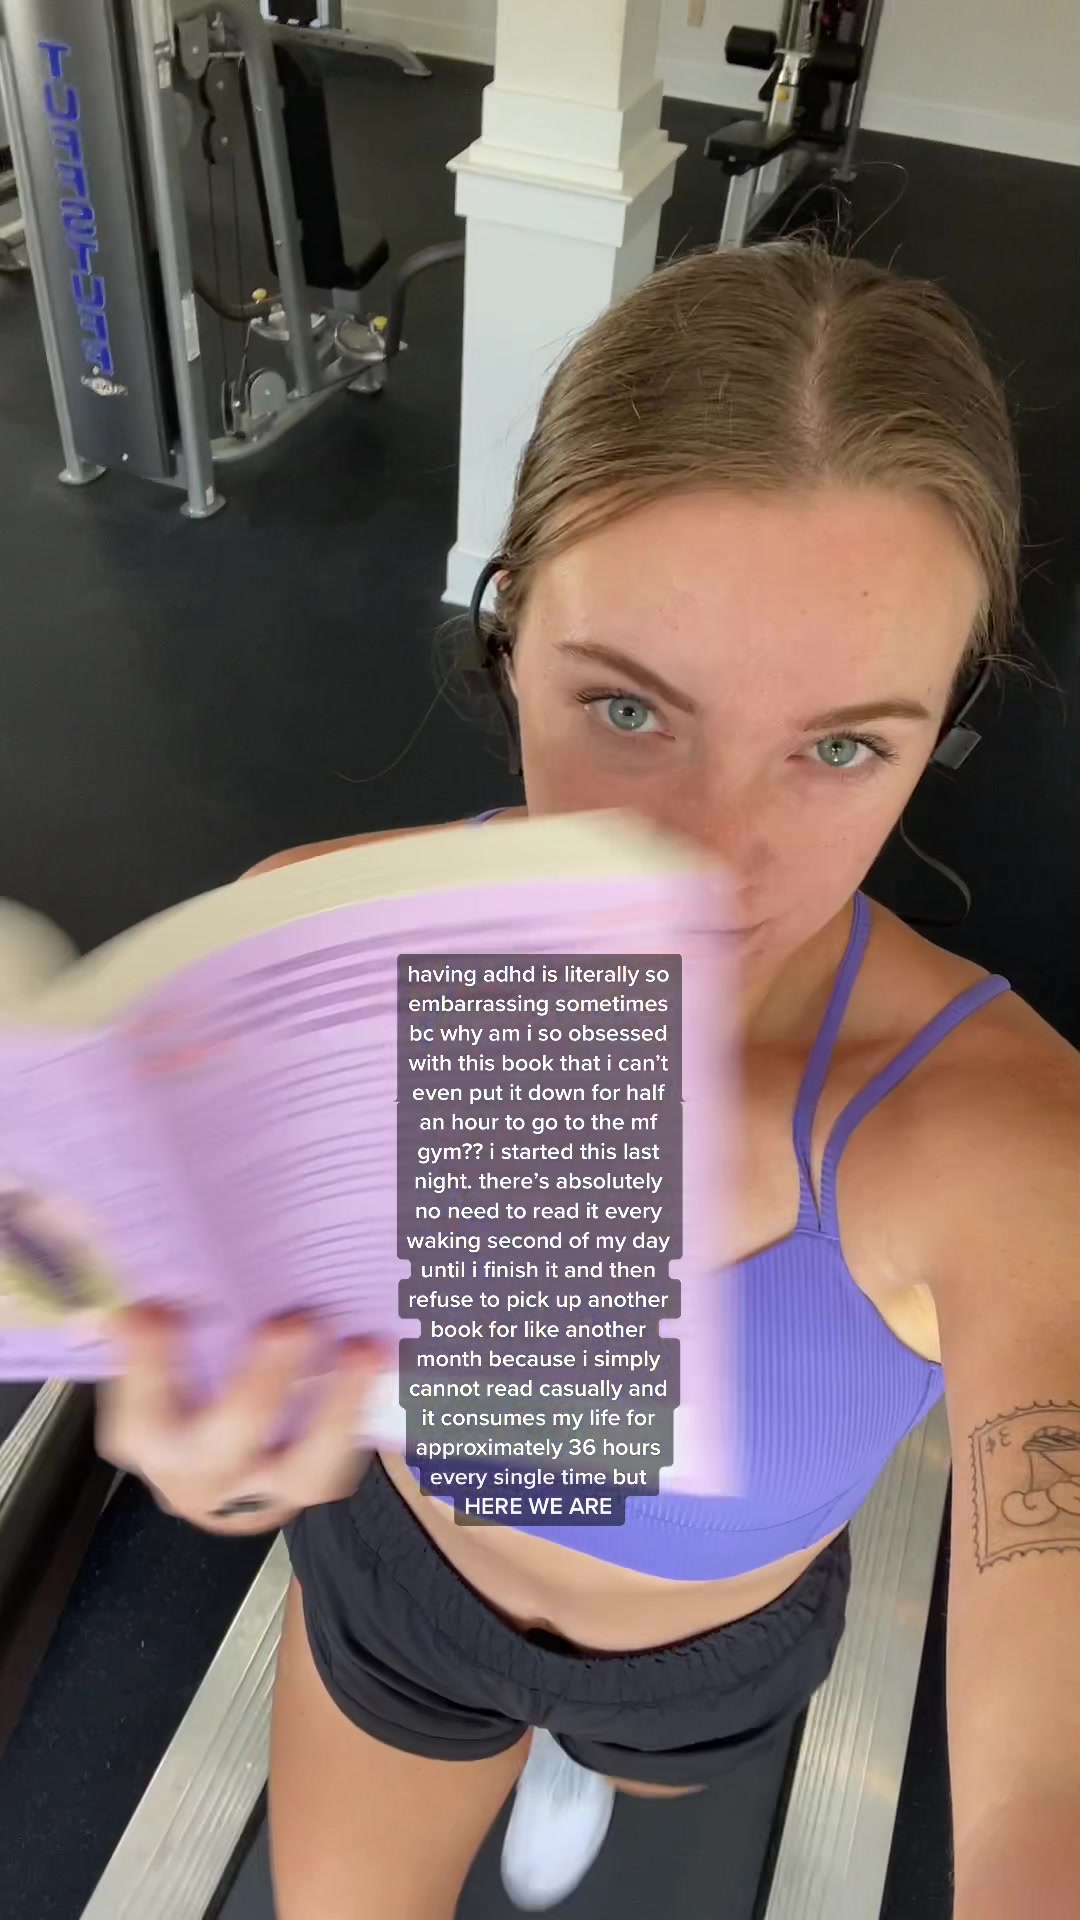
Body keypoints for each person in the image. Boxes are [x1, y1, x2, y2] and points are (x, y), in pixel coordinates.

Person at [98, 238, 1080, 1920]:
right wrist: (183, 1335)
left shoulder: (992, 1130)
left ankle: (586, 1755)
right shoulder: (320, 942)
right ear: (507, 634)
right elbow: (165, 1237)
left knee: (644, 1769)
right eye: (628, 710)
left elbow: (1049, 1782)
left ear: (940, 728)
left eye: (842, 746)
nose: (707, 859)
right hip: (404, 1591)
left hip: (704, 1657)